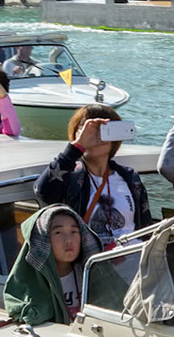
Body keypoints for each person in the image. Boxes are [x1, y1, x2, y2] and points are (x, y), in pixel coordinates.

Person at [34, 104, 154, 251]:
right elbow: (44, 192)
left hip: (132, 261)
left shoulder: (129, 178)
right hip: (92, 265)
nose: (97, 136)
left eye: (105, 130)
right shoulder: (70, 176)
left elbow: (146, 228)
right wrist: (76, 147)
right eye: (89, 129)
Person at [3, 204, 102, 325]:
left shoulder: (92, 272)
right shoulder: (31, 284)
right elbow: (20, 311)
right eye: (58, 233)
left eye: (74, 231)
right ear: (42, 239)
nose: (68, 240)